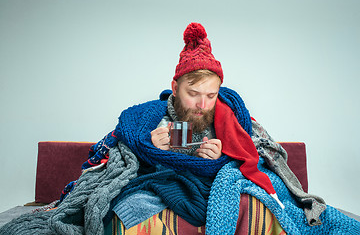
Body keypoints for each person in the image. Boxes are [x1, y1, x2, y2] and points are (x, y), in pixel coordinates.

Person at [1, 22, 359, 235]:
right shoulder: (150, 118)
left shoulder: (232, 118)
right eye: (193, 94)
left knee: (254, 202)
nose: (203, 104)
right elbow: (104, 158)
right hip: (159, 184)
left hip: (212, 184)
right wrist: (149, 150)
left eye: (210, 95)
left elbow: (267, 156)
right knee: (131, 205)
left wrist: (224, 159)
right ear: (175, 88)